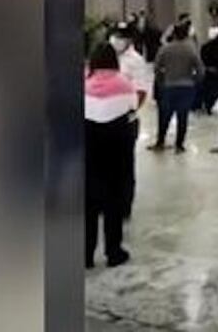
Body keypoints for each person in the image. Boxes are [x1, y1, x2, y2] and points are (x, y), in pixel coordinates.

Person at [84, 44, 137, 268]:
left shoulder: (83, 85)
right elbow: (133, 110)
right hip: (116, 152)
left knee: (87, 206)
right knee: (113, 205)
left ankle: (85, 255)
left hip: (88, 152)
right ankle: (113, 252)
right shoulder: (125, 84)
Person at [150, 23, 205, 153]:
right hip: (186, 87)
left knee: (165, 115)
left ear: (173, 34)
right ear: (186, 35)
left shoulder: (165, 49)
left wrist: (161, 80)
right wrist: (194, 81)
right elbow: (200, 69)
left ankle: (160, 142)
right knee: (182, 116)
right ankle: (179, 145)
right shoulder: (191, 50)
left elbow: (156, 67)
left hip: (169, 86)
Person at [109, 22, 150, 107]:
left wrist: (132, 109)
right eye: (116, 36)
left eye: (121, 37)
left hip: (125, 105)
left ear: (130, 40)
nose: (117, 40)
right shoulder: (106, 56)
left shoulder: (136, 60)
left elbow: (141, 89)